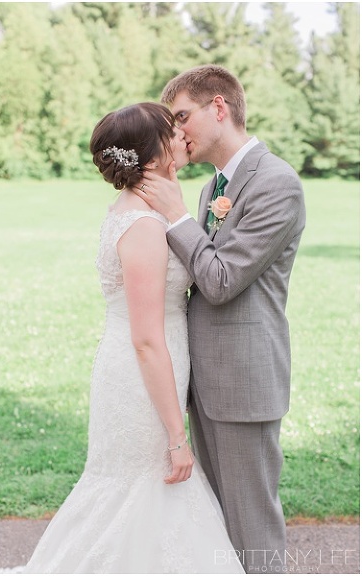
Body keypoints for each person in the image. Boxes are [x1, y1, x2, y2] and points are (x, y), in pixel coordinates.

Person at [21, 103, 243, 574]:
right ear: (151, 153)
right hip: (141, 374)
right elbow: (146, 338)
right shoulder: (142, 226)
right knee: (150, 479)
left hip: (153, 362)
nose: (182, 136)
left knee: (146, 487)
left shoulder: (148, 209)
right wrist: (178, 434)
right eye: (172, 132)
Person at [136, 65, 305, 574]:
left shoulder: (277, 183)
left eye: (182, 115)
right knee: (214, 523)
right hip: (204, 379)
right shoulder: (215, 187)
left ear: (219, 107)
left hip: (244, 380)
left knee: (251, 525)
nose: (176, 130)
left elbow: (222, 280)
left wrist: (177, 216)